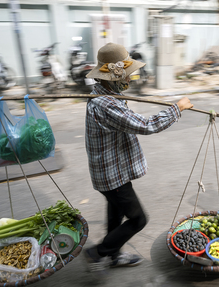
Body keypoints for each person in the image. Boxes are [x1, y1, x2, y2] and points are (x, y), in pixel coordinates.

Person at [83, 42, 193, 271]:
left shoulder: (105, 95)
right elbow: (145, 125)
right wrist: (177, 108)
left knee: (116, 215)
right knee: (137, 219)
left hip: (113, 172)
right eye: (127, 75)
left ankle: (114, 256)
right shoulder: (106, 104)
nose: (130, 79)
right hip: (112, 176)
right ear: (111, 77)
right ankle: (99, 252)